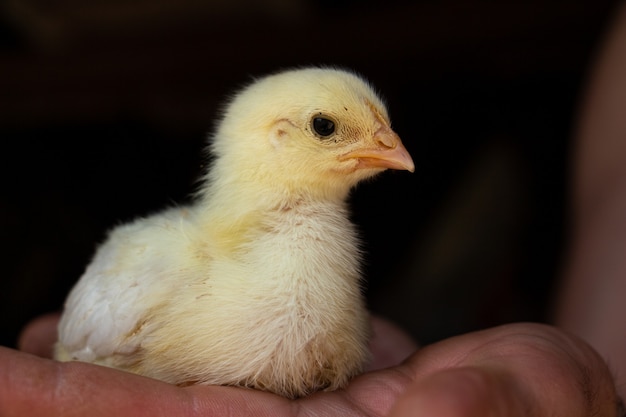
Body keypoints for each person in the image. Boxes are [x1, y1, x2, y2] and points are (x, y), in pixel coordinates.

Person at [3, 2, 626, 415]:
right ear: (273, 138)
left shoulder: (334, 287)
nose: (385, 145)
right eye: (330, 127)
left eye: (379, 128)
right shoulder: (152, 271)